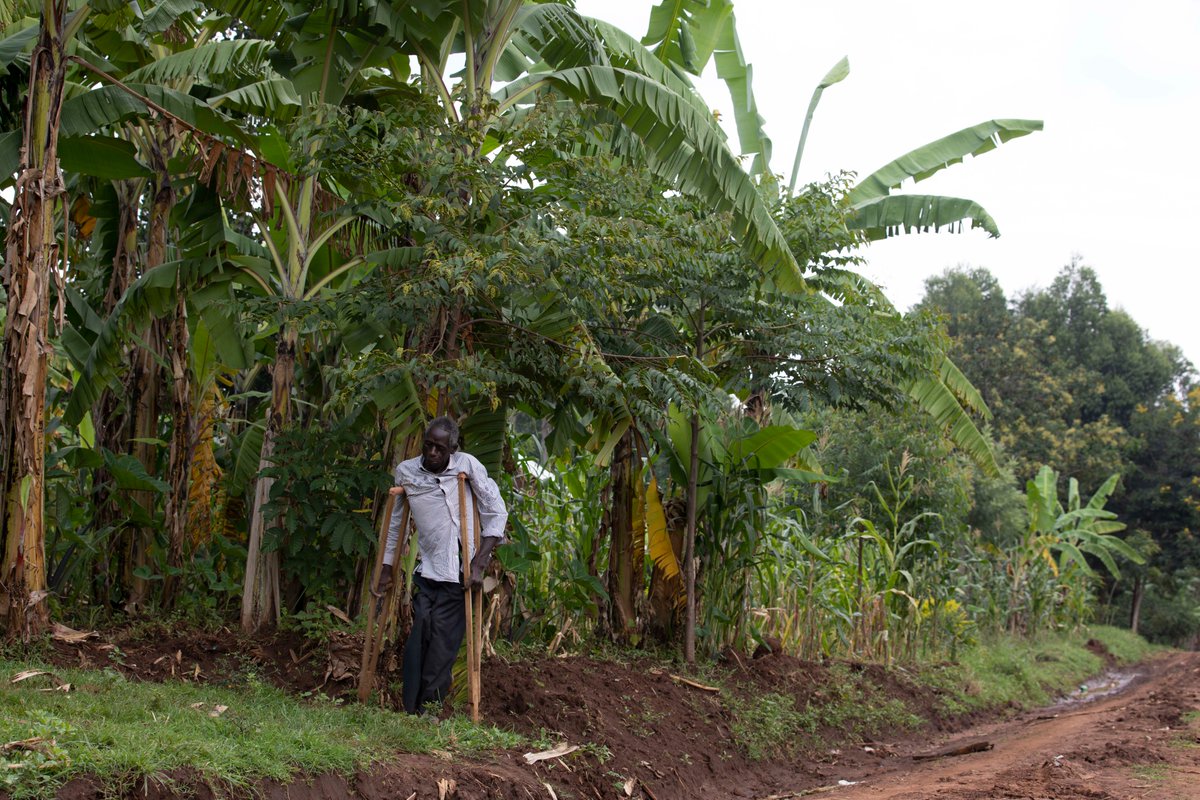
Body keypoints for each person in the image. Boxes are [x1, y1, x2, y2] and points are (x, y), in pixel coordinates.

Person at [377, 415, 507, 714]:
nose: (433, 453)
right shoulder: (407, 472)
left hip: (460, 573)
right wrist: (386, 567)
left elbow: (496, 512)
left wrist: (479, 562)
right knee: (420, 631)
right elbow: (396, 524)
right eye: (429, 445)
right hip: (429, 569)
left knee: (443, 643)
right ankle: (412, 706)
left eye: (440, 448)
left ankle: (430, 709)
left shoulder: (467, 466)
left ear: (453, 448)